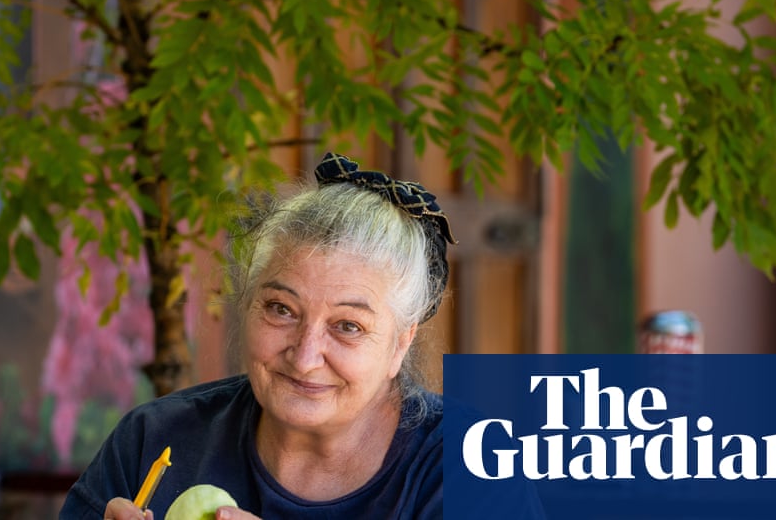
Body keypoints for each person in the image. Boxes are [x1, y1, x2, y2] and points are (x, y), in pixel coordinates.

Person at [59, 152, 545, 519]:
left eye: (348, 326)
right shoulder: (157, 442)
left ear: (401, 342)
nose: (307, 354)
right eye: (281, 309)